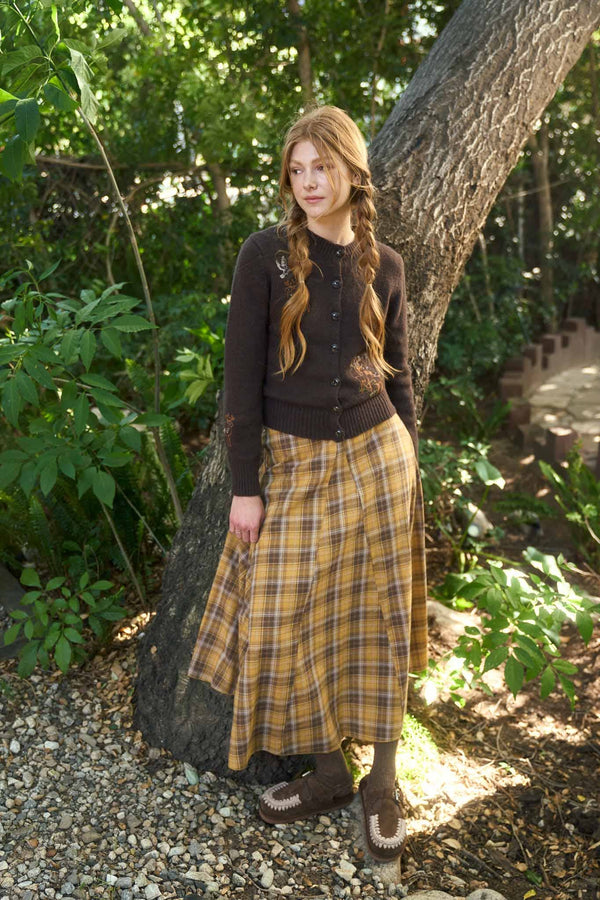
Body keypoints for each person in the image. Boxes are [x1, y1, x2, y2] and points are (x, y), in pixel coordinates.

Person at [187, 105, 427, 862]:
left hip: (377, 460)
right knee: (293, 618)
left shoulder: (384, 263)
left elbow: (403, 376)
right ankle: (329, 772)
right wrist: (245, 486)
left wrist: (412, 465)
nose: (308, 182)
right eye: (296, 169)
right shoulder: (265, 256)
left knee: (377, 618)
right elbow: (241, 384)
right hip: (290, 467)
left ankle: (382, 784)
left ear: (353, 171)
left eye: (321, 166)